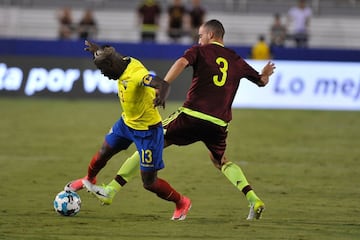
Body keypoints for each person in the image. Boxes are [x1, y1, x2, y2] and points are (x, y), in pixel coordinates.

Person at [80, 19, 276, 220]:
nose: (199, 40)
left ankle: (111, 190)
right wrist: (266, 74)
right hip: (219, 124)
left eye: (200, 36)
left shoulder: (200, 51)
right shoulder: (235, 59)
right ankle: (253, 198)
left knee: (152, 141)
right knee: (220, 161)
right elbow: (261, 81)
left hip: (192, 115)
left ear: (210, 35)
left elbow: (182, 62)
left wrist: (163, 84)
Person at [64, 40, 191, 221]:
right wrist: (96, 51)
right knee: (103, 152)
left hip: (148, 132)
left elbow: (162, 84)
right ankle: (89, 179)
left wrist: (161, 95)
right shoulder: (119, 61)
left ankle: (181, 202)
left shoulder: (137, 74)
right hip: (126, 124)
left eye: (103, 71)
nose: (104, 75)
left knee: (149, 182)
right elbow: (110, 56)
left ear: (110, 66)